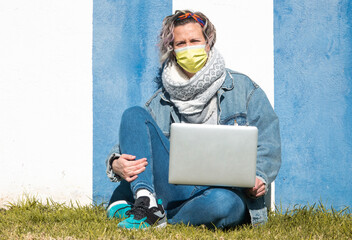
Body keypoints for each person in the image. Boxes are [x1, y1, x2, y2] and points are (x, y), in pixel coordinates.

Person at [105, 10, 281, 230]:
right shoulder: (160, 100)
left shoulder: (244, 89)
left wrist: (259, 177)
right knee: (132, 113)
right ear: (172, 49)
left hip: (222, 191)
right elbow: (135, 137)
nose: (189, 48)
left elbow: (269, 142)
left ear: (208, 43)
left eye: (194, 41)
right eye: (181, 43)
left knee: (225, 205)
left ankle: (151, 215)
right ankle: (146, 201)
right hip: (174, 188)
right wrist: (116, 162)